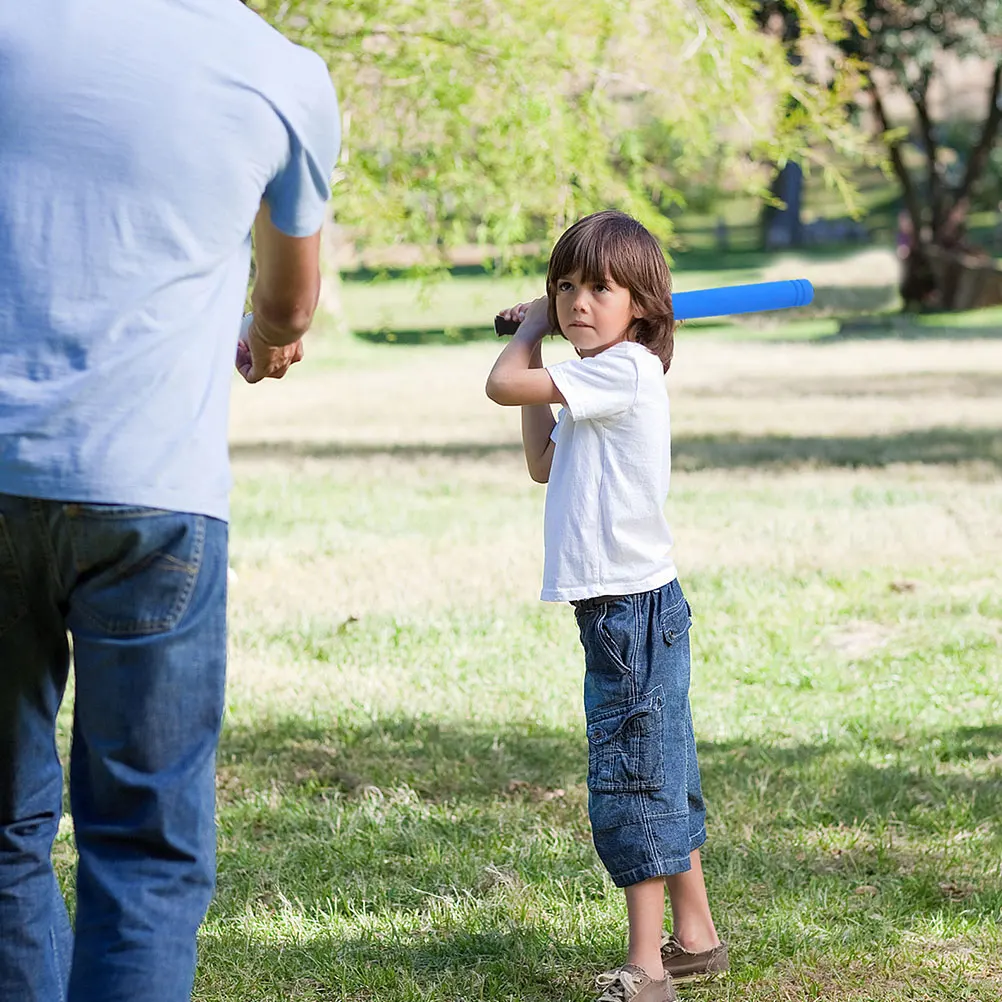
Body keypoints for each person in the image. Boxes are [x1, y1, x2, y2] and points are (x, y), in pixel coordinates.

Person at [0, 2, 339, 1000]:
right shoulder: (279, 74)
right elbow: (287, 305)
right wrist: (268, 335)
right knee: (143, 851)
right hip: (152, 496)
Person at [485, 211, 727, 1002]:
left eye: (598, 287)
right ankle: (695, 938)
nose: (577, 301)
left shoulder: (624, 370)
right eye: (564, 287)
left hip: (631, 611)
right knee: (664, 772)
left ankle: (647, 968)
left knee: (633, 780)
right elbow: (541, 461)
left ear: (640, 308)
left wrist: (527, 332)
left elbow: (499, 383)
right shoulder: (598, 380)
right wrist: (542, 337)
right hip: (629, 609)